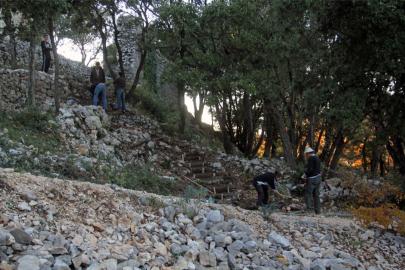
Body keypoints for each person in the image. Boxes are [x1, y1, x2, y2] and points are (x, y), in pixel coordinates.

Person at [303, 146, 322, 214]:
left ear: (308, 153)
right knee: (316, 195)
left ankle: (309, 211)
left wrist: (305, 174)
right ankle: (318, 211)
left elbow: (310, 169)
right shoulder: (317, 158)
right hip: (318, 178)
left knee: (308, 194)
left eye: (306, 154)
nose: (306, 156)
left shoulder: (311, 158)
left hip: (312, 179)